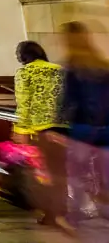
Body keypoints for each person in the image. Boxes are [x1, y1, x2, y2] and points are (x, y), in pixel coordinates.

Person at [58, 21, 109, 226]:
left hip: (81, 128)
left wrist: (58, 126)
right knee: (107, 174)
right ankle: (106, 210)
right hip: (106, 128)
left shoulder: (72, 65)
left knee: (76, 173)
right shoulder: (103, 64)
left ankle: (78, 212)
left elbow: (69, 99)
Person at [11, 40, 67, 227]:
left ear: (22, 56)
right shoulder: (59, 70)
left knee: (43, 173)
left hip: (40, 130)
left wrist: (20, 130)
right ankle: (61, 211)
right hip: (63, 129)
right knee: (60, 171)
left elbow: (24, 103)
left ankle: (49, 214)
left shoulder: (24, 73)